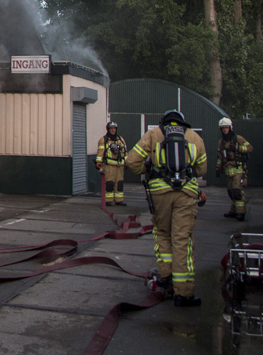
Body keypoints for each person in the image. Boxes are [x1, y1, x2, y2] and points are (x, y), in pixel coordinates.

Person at [126, 109, 208, 307]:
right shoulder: (194, 136)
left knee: (162, 233)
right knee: (182, 239)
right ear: (182, 122)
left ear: (163, 121)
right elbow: (202, 169)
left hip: (159, 193)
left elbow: (131, 161)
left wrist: (145, 170)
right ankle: (184, 294)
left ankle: (167, 277)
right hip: (186, 194)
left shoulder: (154, 134)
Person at [217, 117, 253, 221]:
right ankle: (233, 211)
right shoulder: (221, 142)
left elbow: (250, 148)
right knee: (230, 191)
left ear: (230, 128)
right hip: (229, 171)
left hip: (238, 170)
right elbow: (220, 156)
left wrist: (238, 148)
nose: (225, 130)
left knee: (237, 191)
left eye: (226, 128)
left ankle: (241, 213)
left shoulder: (238, 139)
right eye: (223, 128)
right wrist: (218, 168)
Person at [95, 121, 128, 206]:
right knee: (109, 183)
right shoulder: (104, 140)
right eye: (111, 128)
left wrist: (127, 162)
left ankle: (119, 200)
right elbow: (100, 153)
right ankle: (108, 200)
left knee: (119, 183)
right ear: (108, 129)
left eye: (114, 128)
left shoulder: (120, 139)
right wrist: (98, 163)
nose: (113, 130)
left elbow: (125, 152)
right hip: (109, 165)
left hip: (120, 165)